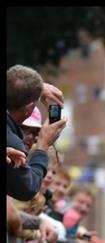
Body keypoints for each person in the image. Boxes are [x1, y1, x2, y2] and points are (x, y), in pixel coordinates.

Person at [6, 64, 67, 201]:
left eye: (36, 133)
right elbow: (27, 188)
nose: (29, 138)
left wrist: (35, 89)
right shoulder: (12, 140)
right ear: (28, 109)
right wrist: (42, 145)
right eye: (24, 129)